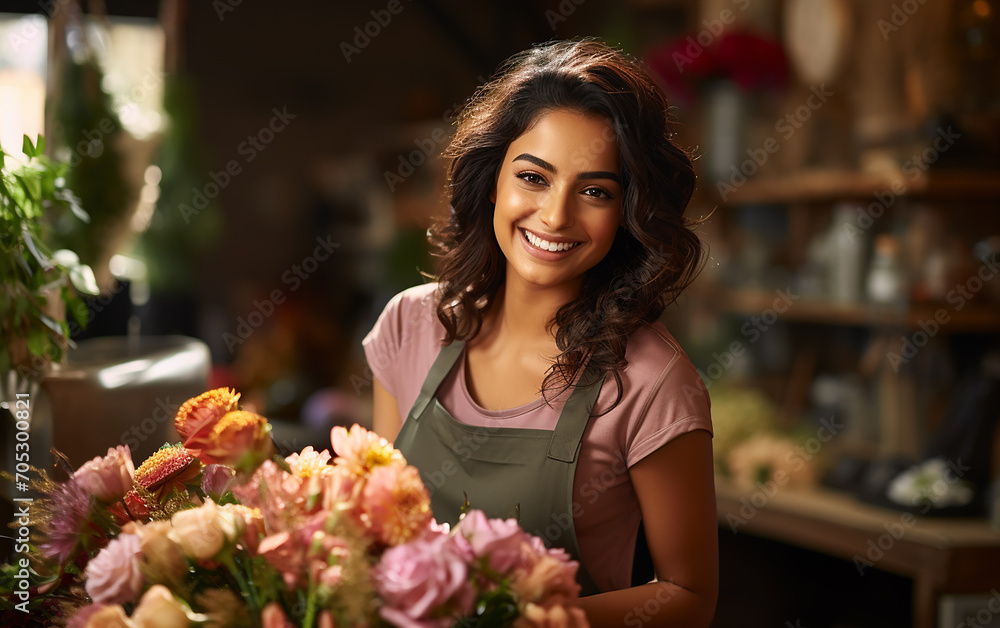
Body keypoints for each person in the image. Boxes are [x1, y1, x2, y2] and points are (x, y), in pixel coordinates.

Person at [363, 39, 717, 627]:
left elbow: (688, 595)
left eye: (595, 191)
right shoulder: (412, 326)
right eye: (534, 177)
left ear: (627, 210)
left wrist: (526, 621)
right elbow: (375, 526)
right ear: (493, 178)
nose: (555, 216)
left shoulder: (652, 383)